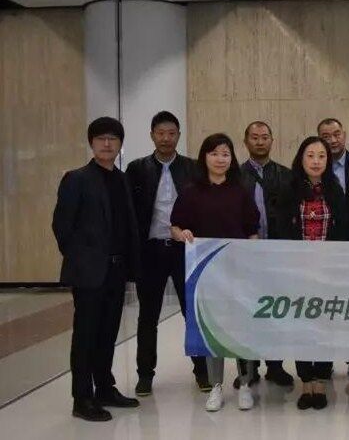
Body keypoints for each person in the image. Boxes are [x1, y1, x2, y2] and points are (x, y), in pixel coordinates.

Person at [52, 117, 141, 422]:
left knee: (108, 333)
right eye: (101, 138)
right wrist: (82, 258)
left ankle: (104, 388)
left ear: (120, 144)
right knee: (86, 335)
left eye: (113, 139)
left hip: (117, 270)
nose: (107, 143)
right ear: (91, 142)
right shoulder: (76, 179)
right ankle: (82, 398)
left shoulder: (122, 179)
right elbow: (62, 226)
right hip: (89, 273)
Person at [170, 133, 260, 412]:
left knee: (241, 328)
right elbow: (175, 227)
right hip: (206, 274)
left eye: (225, 153)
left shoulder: (241, 191)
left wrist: (252, 251)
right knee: (213, 329)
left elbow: (253, 230)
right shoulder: (191, 192)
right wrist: (182, 234)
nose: (220, 159)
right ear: (204, 157)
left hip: (237, 270)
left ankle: (245, 383)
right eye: (214, 153)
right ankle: (216, 386)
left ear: (231, 158)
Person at [126, 111, 206, 396]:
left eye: (171, 133)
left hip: (186, 250)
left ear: (178, 136)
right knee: (148, 316)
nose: (166, 139)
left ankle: (202, 372)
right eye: (160, 133)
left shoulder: (193, 168)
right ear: (152, 135)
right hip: (151, 251)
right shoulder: (136, 169)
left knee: (192, 313)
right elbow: (129, 211)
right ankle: (145, 375)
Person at [275, 136, 349, 410]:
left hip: (328, 271)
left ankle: (320, 380)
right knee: (302, 326)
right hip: (297, 271)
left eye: (321, 156)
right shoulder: (289, 189)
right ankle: (306, 381)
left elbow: (343, 228)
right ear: (301, 159)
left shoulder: (335, 189)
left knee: (325, 325)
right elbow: (281, 228)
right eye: (310, 155)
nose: (316, 161)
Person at [238, 121, 295, 389]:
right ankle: (247, 369)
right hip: (244, 255)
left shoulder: (286, 175)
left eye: (264, 137)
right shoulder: (235, 176)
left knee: (275, 312)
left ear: (272, 140)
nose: (260, 142)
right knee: (245, 313)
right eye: (254, 137)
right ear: (246, 141)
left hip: (277, 255)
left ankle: (275, 366)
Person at [317, 118, 349, 383]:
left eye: (336, 134)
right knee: (325, 305)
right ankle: (323, 360)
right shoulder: (314, 165)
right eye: (326, 136)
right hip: (324, 247)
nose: (332, 140)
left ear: (345, 135)